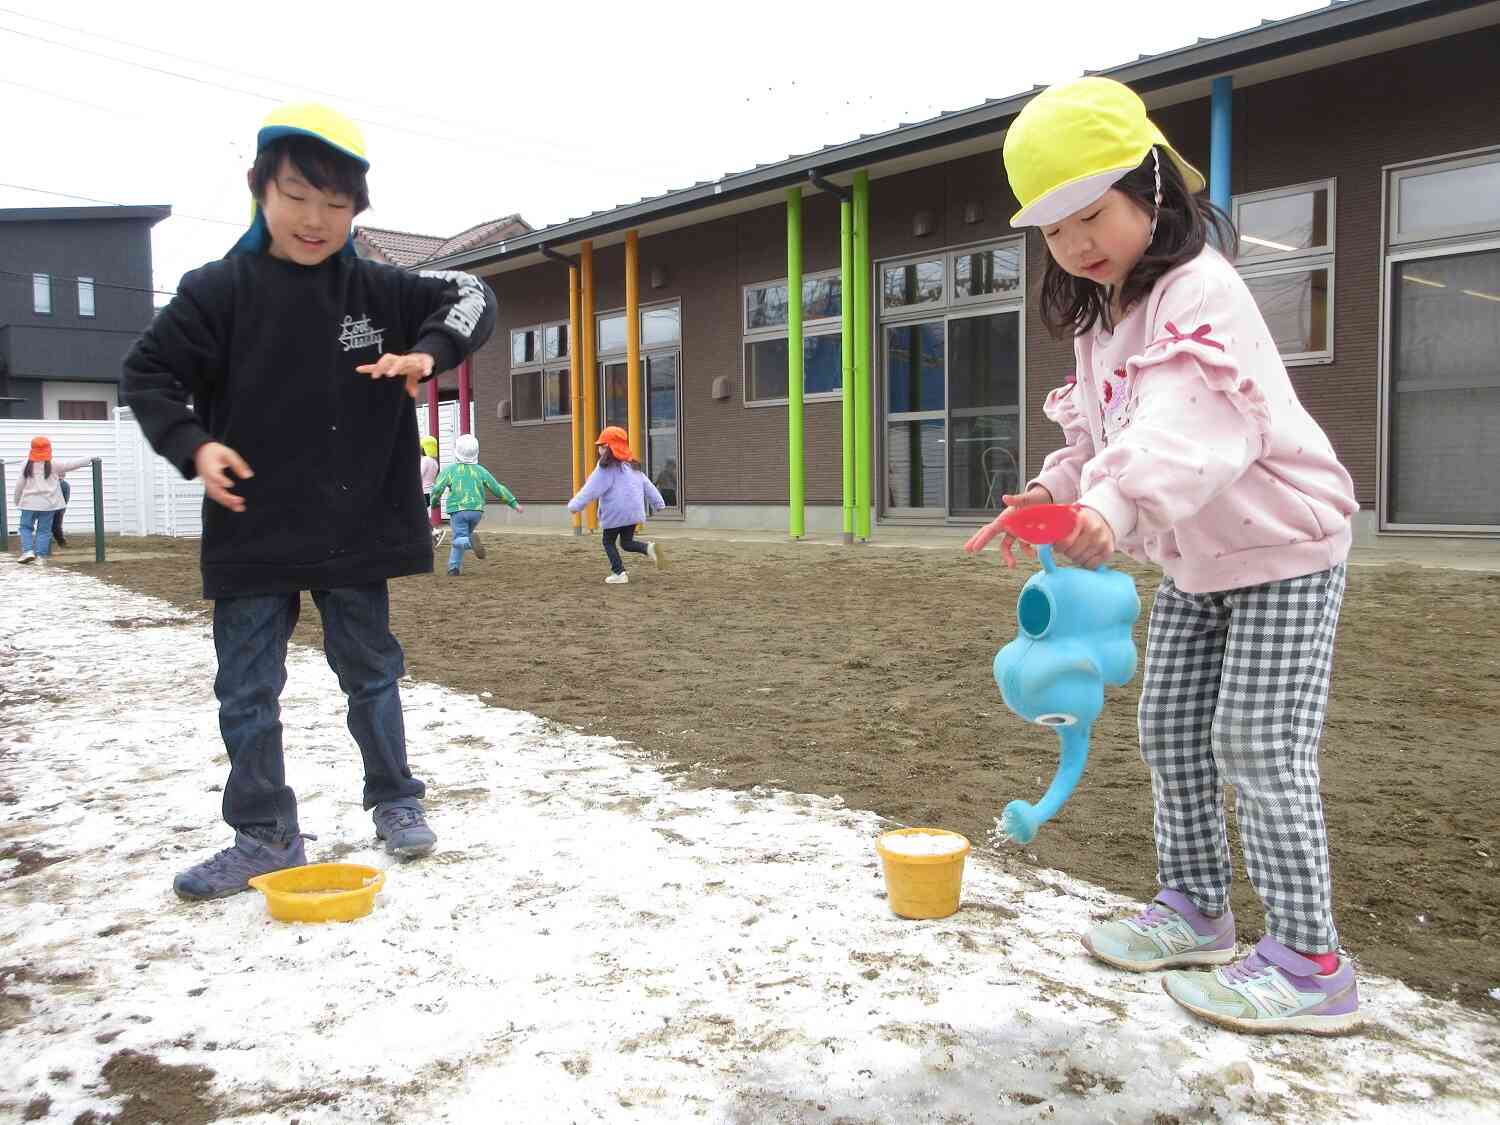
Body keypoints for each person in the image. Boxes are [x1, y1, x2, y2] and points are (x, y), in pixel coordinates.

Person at [980, 77, 1360, 1034]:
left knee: (1259, 744)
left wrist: (1113, 501)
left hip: (1283, 549)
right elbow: (1108, 433)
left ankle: (1311, 959)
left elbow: (1189, 429)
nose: (1076, 243)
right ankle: (1196, 907)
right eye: (1055, 229)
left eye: (1091, 213)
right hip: (1199, 562)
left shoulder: (1199, 290)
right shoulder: (1105, 316)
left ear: (1151, 186)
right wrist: (1058, 489)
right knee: (1172, 728)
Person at [121, 102, 497, 901]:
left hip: (356, 522)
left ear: (357, 210)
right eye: (297, 195)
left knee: (371, 673)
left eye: (336, 202)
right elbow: (147, 373)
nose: (315, 217)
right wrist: (194, 443)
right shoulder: (216, 291)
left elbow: (472, 292)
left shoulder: (381, 288)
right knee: (246, 689)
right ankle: (264, 833)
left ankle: (396, 798)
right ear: (261, 189)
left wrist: (427, 354)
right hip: (252, 528)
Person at [567, 425, 666, 585]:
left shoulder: (604, 469)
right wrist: (659, 503)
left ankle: (619, 572)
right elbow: (648, 486)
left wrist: (575, 506)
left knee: (608, 541)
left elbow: (590, 490)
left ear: (607, 447)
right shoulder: (632, 466)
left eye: (601, 446)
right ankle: (649, 549)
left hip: (615, 513)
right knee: (626, 542)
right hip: (634, 513)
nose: (599, 449)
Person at [428, 433, 521, 576]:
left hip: (458, 510)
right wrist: (513, 503)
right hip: (477, 511)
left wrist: (434, 503)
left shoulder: (450, 470)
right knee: (462, 536)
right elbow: (497, 488)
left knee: (459, 538)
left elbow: (437, 489)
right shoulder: (481, 470)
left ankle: (470, 544)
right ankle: (454, 568)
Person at [11, 436, 93, 563]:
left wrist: (17, 500)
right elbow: (71, 464)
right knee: (44, 530)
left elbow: (19, 485)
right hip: (49, 504)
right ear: (49, 449)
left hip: (29, 504)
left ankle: (27, 551)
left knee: (25, 528)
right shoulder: (54, 464)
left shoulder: (26, 464)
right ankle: (40, 557)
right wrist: (89, 458)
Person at [419, 435, 445, 547]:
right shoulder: (435, 463)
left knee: (419, 515)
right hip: (429, 493)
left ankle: (435, 532)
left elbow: (418, 475)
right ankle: (429, 535)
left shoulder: (424, 461)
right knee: (420, 515)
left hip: (422, 493)